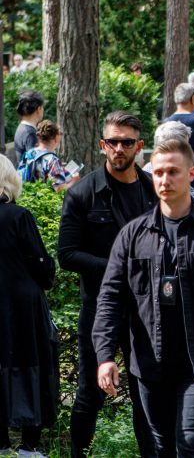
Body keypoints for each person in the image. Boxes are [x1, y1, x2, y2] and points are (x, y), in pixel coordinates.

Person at [93, 139, 194, 457]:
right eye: (159, 173)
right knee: (162, 446)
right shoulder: (133, 235)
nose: (165, 180)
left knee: (190, 445)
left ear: (192, 173)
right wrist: (105, 356)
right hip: (150, 364)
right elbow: (110, 298)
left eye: (173, 172)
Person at [58, 111, 157, 457]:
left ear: (139, 146)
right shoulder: (84, 193)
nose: (118, 148)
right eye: (112, 142)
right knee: (90, 391)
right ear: (102, 145)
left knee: (147, 389)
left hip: (146, 311)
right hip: (100, 308)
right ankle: (78, 454)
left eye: (126, 142)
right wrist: (117, 269)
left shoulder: (152, 190)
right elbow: (67, 255)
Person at [0, 156, 58, 457]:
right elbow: (41, 265)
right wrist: (49, 274)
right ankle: (28, 445)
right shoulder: (18, 216)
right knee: (29, 365)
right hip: (21, 306)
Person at [18, 120, 80, 191]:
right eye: (60, 133)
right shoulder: (52, 160)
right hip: (44, 201)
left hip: (27, 198)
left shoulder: (29, 154)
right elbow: (59, 189)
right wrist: (74, 181)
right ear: (56, 137)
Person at [14, 90, 44, 165]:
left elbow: (25, 159)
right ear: (38, 109)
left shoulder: (22, 128)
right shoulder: (30, 133)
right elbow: (34, 164)